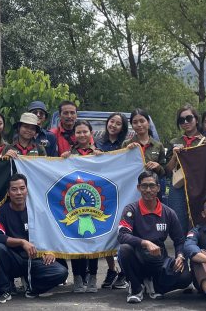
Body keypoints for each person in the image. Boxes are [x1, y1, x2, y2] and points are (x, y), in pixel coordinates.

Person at [0, 174, 68, 302]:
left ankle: (32, 288)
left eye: (22, 188)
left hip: (35, 260)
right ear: (8, 193)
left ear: (27, 190)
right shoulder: (1, 211)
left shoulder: (38, 210)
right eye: (14, 189)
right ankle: (4, 290)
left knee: (61, 272)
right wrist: (22, 242)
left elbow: (50, 233)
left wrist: (49, 251)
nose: (19, 193)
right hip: (13, 260)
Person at [118, 171, 193, 303]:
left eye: (152, 186)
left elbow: (179, 240)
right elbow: (122, 235)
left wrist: (180, 257)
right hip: (137, 258)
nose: (148, 190)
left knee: (186, 276)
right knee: (124, 249)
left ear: (158, 188)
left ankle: (155, 286)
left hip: (159, 260)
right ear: (138, 188)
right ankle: (135, 288)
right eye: (144, 186)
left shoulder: (168, 212)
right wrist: (145, 242)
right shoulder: (131, 209)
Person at [60, 120, 102, 292]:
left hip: (95, 200)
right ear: (74, 135)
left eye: (85, 131)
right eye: (78, 132)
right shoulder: (69, 154)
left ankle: (92, 277)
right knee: (76, 238)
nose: (82, 135)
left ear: (91, 133)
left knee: (93, 238)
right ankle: (77, 277)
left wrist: (104, 159)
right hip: (75, 200)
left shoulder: (99, 153)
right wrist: (62, 160)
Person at [95, 112, 129, 289]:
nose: (114, 125)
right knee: (105, 230)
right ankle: (111, 269)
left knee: (122, 229)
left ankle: (124, 271)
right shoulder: (97, 142)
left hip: (122, 191)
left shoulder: (126, 145)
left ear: (122, 128)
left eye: (118, 123)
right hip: (102, 193)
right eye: (112, 122)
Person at [167, 105, 204, 235]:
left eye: (189, 118)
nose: (186, 122)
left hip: (199, 185)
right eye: (181, 120)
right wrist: (174, 157)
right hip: (178, 185)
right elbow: (167, 171)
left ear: (197, 119)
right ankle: (181, 253)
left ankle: (199, 253)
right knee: (178, 222)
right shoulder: (174, 142)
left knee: (200, 220)